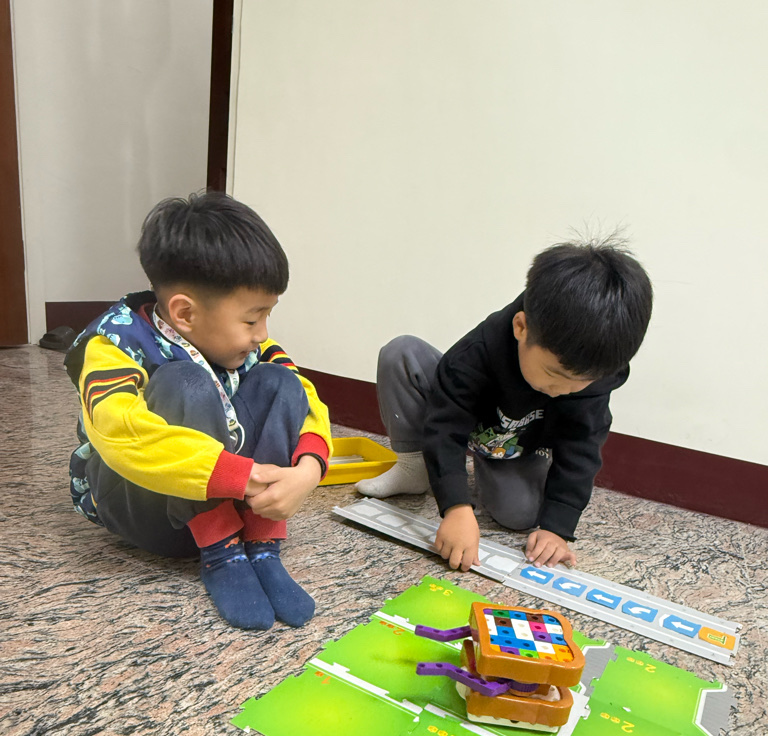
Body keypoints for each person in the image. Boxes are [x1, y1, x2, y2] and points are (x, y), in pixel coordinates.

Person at [65, 191, 331, 631]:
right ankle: (221, 551)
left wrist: (308, 470)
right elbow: (119, 431)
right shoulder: (113, 345)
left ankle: (261, 545)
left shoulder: (254, 345)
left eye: (267, 316)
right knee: (184, 382)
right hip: (149, 509)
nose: (262, 333)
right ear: (185, 313)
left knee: (281, 381)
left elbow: (306, 397)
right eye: (252, 320)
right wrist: (237, 475)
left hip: (232, 495)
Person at [357, 239, 652, 572]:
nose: (563, 391)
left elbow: (582, 448)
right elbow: (445, 427)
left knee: (520, 516)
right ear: (520, 327)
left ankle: (491, 468)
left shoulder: (593, 373)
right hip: (466, 415)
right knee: (401, 353)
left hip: (515, 445)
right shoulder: (475, 353)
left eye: (580, 382)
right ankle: (415, 468)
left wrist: (557, 527)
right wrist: (456, 507)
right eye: (554, 375)